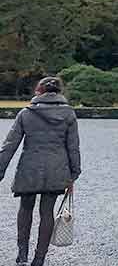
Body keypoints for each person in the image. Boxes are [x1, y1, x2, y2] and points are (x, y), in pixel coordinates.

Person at [0, 77, 81, 266]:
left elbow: (9, 145)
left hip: (29, 167)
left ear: (38, 91)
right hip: (56, 168)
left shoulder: (25, 113)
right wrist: (74, 173)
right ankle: (39, 258)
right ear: (59, 91)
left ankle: (22, 254)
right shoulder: (69, 114)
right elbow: (73, 147)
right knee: (47, 212)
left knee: (25, 208)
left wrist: (0, 169)